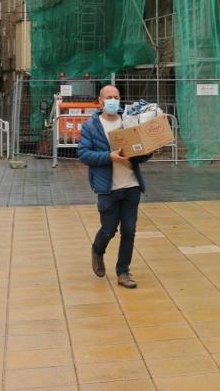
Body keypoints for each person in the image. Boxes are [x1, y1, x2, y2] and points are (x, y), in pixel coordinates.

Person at [77, 85, 148, 289]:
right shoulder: (91, 126)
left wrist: (150, 148)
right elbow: (83, 154)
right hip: (107, 187)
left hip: (131, 184)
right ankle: (98, 250)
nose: (113, 100)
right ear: (100, 101)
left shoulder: (129, 123)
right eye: (109, 97)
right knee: (109, 229)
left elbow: (140, 154)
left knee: (129, 230)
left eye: (116, 97)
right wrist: (109, 156)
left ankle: (123, 271)